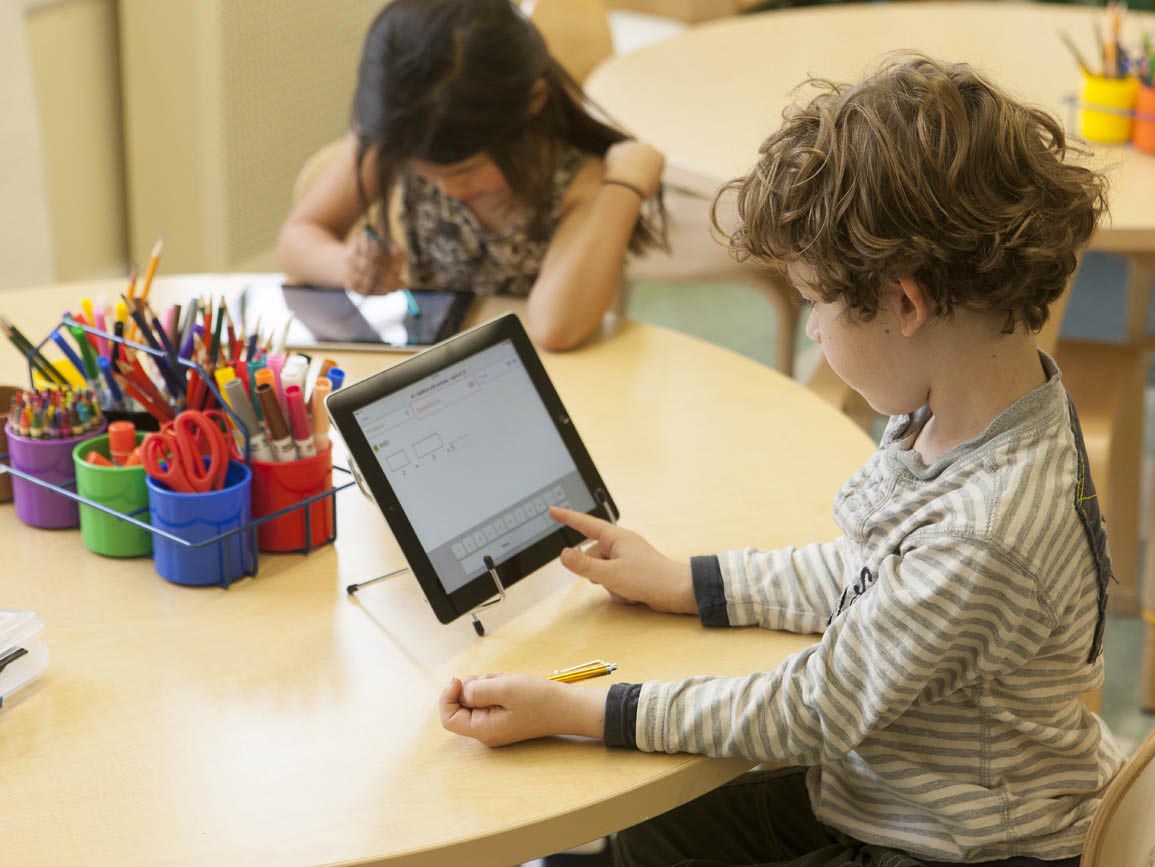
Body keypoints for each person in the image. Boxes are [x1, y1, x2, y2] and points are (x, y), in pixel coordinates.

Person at [438, 55, 1126, 866]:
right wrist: (692, 582)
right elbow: (871, 573)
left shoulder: (983, 535)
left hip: (955, 844)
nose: (809, 331)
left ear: (903, 303)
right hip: (883, 786)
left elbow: (808, 707)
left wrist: (579, 709)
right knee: (648, 835)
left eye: (812, 302)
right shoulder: (980, 410)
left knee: (650, 820)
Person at [276, 0, 666, 352]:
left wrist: (624, 189)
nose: (448, 188)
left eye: (467, 170)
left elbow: (555, 330)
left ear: (534, 102)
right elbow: (297, 238)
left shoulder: (578, 179)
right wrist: (349, 267)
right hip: (440, 372)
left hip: (546, 380)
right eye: (422, 172)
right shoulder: (402, 135)